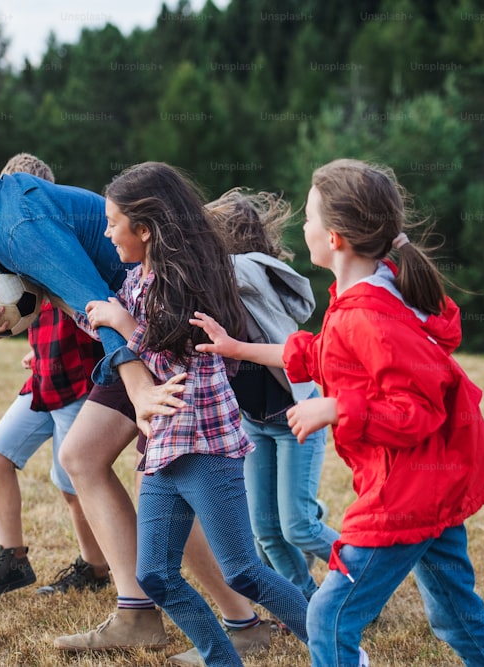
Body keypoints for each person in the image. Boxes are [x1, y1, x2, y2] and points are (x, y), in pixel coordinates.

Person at [191, 158, 484, 667]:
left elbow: (417, 410)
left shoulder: (368, 313)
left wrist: (338, 407)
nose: (304, 225)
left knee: (327, 618)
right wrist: (239, 348)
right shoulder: (372, 292)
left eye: (310, 217)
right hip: (434, 482)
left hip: (406, 490)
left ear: (336, 237)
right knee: (455, 615)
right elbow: (321, 352)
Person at [0, 137, 183, 648]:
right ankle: (146, 612)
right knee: (94, 460)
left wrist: (138, 386)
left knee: (163, 477)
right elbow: (60, 291)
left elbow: (98, 301)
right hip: (147, 329)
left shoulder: (17, 226)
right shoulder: (8, 208)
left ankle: (211, 613)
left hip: (160, 332)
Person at [82, 161, 310, 666]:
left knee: (243, 570)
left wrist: (123, 322)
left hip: (206, 445)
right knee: (156, 574)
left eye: (113, 222)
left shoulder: (188, 278)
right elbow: (111, 323)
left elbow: (181, 352)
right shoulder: (137, 277)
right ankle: (221, 659)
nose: (106, 231)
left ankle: (334, 645)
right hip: (164, 448)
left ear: (144, 228)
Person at [0, 153, 110, 602]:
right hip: (43, 381)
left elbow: (90, 312)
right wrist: (32, 356)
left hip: (78, 383)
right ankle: (13, 561)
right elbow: (26, 315)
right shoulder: (4, 251)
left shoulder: (53, 237)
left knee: (71, 482)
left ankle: (96, 566)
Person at [205, 188, 340, 601]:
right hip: (254, 423)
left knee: (297, 526)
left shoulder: (247, 272)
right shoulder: (222, 285)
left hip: (295, 417)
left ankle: (369, 566)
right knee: (265, 528)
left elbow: (220, 271)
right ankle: (304, 600)